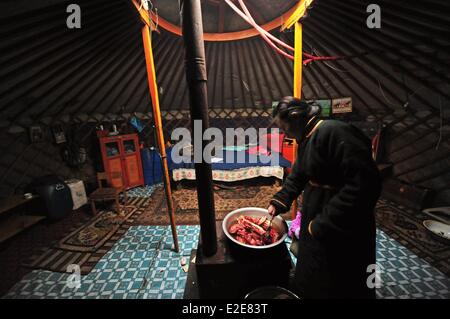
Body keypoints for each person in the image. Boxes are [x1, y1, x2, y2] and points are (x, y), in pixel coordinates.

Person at [268, 97, 382, 299]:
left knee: (342, 269)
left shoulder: (335, 132)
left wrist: (324, 223)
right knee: (314, 260)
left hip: (344, 219)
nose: (284, 133)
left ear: (295, 118)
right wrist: (279, 200)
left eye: (283, 127)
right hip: (317, 211)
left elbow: (365, 184)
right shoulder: (306, 138)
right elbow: (299, 174)